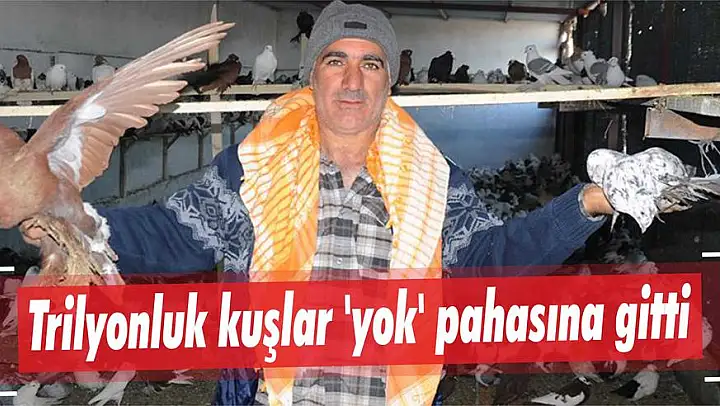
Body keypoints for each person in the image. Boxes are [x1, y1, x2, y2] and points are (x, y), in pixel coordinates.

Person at [21, 1, 617, 404]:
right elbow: (171, 235)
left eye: (370, 64)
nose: (352, 82)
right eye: (336, 61)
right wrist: (72, 223)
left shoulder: (435, 179)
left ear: (389, 81)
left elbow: (491, 263)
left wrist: (586, 204)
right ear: (313, 76)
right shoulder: (254, 168)